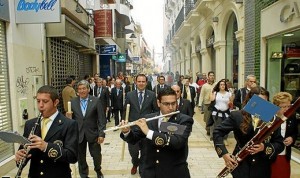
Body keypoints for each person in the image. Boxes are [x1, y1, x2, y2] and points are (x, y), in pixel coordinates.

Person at [120, 87, 194, 178]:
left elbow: (177, 142)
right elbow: (134, 139)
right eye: (166, 104)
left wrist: (148, 132)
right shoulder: (149, 118)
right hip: (150, 172)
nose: (171, 107)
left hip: (174, 172)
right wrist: (127, 131)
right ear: (158, 103)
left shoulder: (184, 120)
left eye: (173, 103)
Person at [213, 86, 284, 178]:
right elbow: (217, 132)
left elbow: (280, 144)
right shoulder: (237, 116)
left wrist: (264, 147)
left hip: (262, 167)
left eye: (265, 102)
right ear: (251, 101)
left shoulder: (273, 119)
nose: (262, 105)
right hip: (241, 165)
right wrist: (224, 154)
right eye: (259, 102)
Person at [15, 85, 78, 178]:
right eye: (38, 101)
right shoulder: (30, 124)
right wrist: (19, 158)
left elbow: (72, 157)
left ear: (56, 102)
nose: (40, 105)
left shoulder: (69, 124)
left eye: (45, 101)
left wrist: (46, 146)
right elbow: (24, 154)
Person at [67, 80, 106, 178]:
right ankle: (84, 174)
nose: (82, 91)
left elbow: (102, 119)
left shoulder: (96, 101)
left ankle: (98, 170)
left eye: (84, 88)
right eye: (79, 89)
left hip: (93, 133)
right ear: (77, 91)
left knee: (96, 155)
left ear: (88, 89)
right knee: (81, 157)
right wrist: (68, 117)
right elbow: (70, 121)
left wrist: (101, 134)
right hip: (79, 134)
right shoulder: (73, 102)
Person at [123, 73, 159, 175]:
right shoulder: (130, 95)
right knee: (133, 152)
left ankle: (143, 170)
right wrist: (124, 123)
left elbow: (156, 111)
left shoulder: (152, 95)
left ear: (146, 83)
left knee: (145, 152)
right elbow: (125, 110)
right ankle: (135, 163)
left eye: (143, 81)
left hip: (146, 129)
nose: (141, 83)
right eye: (139, 81)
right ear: (135, 82)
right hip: (133, 129)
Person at [271, 92, 298, 178]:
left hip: (285, 155)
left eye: (288, 106)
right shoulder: (270, 117)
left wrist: (292, 138)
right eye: (283, 107)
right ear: (276, 106)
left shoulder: (291, 116)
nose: (287, 109)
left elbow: (295, 132)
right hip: (270, 156)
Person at [198, 71, 216, 135]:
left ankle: (213, 131)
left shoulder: (216, 84)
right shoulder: (204, 86)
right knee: (207, 118)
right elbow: (201, 95)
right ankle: (208, 129)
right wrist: (200, 105)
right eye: (210, 75)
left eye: (213, 75)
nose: (212, 76)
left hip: (215, 104)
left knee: (214, 117)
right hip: (207, 104)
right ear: (208, 77)